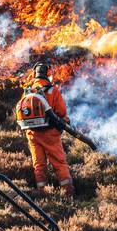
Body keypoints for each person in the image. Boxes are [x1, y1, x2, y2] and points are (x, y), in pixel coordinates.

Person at [15, 61, 74, 196]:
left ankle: (42, 191)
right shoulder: (53, 90)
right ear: (47, 74)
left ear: (35, 74)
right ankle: (68, 192)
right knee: (58, 162)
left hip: (32, 134)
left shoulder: (27, 92)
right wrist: (63, 123)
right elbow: (61, 111)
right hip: (50, 133)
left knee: (39, 163)